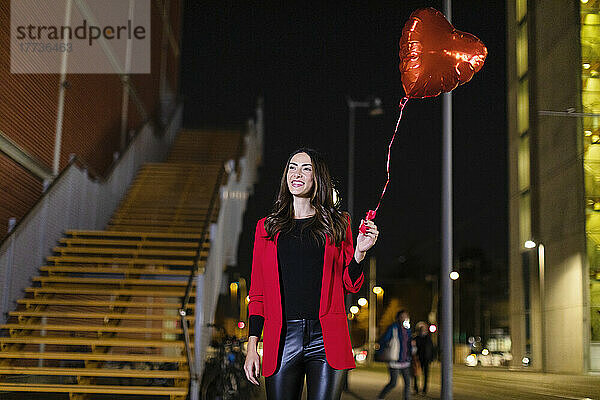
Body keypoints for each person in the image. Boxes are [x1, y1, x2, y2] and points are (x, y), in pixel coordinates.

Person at [243, 148, 380, 400]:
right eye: (292, 167)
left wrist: (359, 252)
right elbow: (258, 293)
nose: (297, 173)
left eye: (306, 169)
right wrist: (252, 346)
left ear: (318, 178)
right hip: (282, 338)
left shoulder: (339, 223)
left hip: (326, 338)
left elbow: (349, 284)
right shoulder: (266, 228)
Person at [377, 310, 412, 400]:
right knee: (393, 383)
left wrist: (411, 351)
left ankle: (407, 398)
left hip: (405, 360)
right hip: (395, 360)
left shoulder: (408, 329)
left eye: (406, 316)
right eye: (403, 316)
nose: (405, 318)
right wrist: (381, 352)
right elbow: (384, 340)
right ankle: (380, 397)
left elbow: (408, 343)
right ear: (398, 318)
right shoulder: (393, 328)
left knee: (408, 382)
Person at [413, 322, 434, 395]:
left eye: (424, 329)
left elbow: (431, 349)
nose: (423, 331)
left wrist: (431, 358)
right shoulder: (416, 338)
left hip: (426, 359)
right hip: (418, 359)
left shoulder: (428, 338)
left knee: (425, 375)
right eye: (422, 329)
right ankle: (416, 388)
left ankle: (424, 390)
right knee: (416, 374)